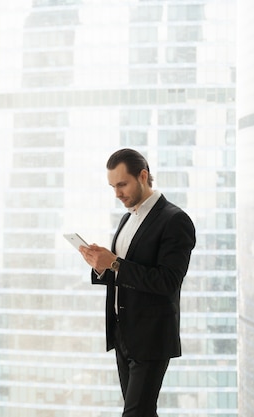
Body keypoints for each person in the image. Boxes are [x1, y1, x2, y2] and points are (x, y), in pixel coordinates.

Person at [78, 148, 196, 417]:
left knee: (135, 413)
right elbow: (122, 275)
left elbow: (168, 281)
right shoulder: (127, 217)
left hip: (151, 337)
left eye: (122, 184)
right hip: (123, 335)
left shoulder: (175, 220)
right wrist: (100, 266)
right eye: (112, 186)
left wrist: (115, 263)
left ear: (143, 176)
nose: (117, 193)